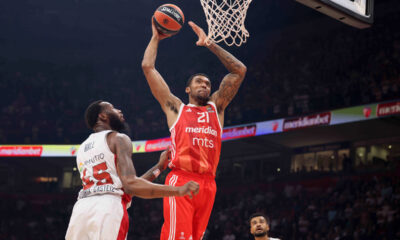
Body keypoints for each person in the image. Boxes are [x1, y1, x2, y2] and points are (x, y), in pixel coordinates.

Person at [142, 19, 247, 240]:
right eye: (199, 82)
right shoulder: (176, 108)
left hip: (209, 183)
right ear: (188, 89)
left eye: (208, 83)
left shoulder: (216, 107)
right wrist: (155, 37)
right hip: (181, 178)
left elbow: (239, 71)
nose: (205, 85)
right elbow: (148, 68)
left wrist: (209, 43)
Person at [65, 100, 199, 240]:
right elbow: (131, 185)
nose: (119, 111)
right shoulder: (118, 139)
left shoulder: (82, 148)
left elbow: (128, 187)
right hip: (107, 209)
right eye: (113, 108)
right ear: (103, 116)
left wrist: (159, 167)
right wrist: (178, 190)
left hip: (80, 210)